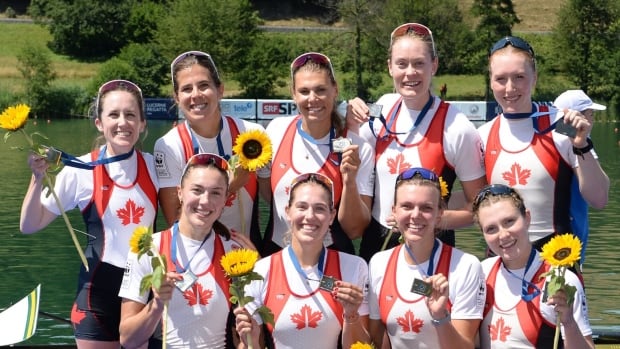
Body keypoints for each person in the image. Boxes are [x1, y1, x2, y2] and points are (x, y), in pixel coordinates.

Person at [20, 80, 158, 349]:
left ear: (142, 124)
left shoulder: (156, 168)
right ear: (99, 123)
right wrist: (37, 178)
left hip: (143, 293)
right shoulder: (80, 170)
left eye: (130, 115)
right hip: (97, 294)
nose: (122, 122)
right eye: (113, 115)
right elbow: (29, 225)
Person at [346, 23, 487, 261]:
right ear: (390, 67)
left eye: (419, 63)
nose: (410, 72)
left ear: (434, 65)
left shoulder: (458, 128)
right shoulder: (381, 108)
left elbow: (480, 208)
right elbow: (348, 154)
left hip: (431, 243)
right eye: (402, 64)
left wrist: (438, 219)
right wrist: (350, 121)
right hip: (378, 242)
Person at [477, 37, 609, 253]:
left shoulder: (563, 126)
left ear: (534, 78)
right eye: (501, 79)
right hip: (501, 262)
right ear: (491, 81)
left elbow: (599, 199)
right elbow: (469, 204)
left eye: (519, 77)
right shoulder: (482, 136)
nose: (510, 88)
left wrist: (582, 144)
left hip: (557, 266)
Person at [119, 153, 256, 348]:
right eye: (197, 190)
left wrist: (260, 270)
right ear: (180, 193)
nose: (205, 201)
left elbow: (250, 338)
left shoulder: (235, 254)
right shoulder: (149, 250)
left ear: (227, 198)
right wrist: (157, 304)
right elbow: (128, 340)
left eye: (216, 193)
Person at [234, 172, 370, 349]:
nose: (310, 216)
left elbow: (361, 346)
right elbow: (252, 346)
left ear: (331, 216)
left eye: (320, 208)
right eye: (302, 207)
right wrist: (249, 340)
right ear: (288, 212)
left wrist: (351, 316)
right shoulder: (260, 272)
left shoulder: (354, 267)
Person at [258, 52, 375, 256]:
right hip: (277, 254)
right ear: (293, 94)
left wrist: (349, 181)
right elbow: (271, 196)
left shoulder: (358, 147)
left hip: (331, 259)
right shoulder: (276, 131)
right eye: (304, 91)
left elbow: (354, 229)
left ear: (335, 90)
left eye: (321, 90)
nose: (313, 99)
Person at [154, 51, 266, 247]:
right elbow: (176, 220)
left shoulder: (252, 134)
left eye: (204, 85)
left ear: (220, 90)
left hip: (248, 252)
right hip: (197, 257)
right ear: (177, 98)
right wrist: (230, 186)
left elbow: (276, 201)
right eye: (187, 89)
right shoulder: (169, 145)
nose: (196, 95)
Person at [367, 168, 485, 348]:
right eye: (407, 206)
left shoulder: (466, 266)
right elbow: (379, 337)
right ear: (394, 211)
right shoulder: (379, 263)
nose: (415, 215)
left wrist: (440, 316)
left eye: (426, 208)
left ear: (439, 214)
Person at [472, 184, 594, 349]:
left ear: (527, 218)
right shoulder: (480, 273)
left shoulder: (561, 279)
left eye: (509, 221)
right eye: (491, 229)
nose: (503, 235)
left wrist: (569, 322)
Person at [553, 89, 607, 263]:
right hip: (567, 242)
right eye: (590, 114)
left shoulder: (547, 138)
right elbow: (601, 198)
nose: (592, 120)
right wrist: (583, 145)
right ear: (576, 116)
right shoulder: (573, 141)